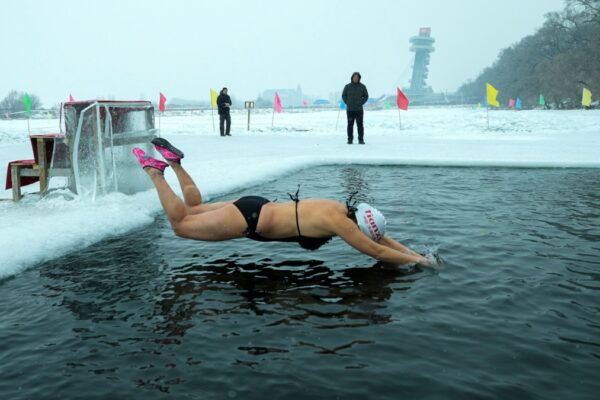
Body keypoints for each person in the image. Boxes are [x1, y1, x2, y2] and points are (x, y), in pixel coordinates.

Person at [131, 138, 432, 267]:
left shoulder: (343, 209)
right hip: (251, 220)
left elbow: (381, 238)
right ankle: (155, 172)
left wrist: (414, 252)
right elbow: (378, 250)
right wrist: (418, 261)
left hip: (258, 204)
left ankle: (176, 164)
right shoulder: (342, 225)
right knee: (181, 225)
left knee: (193, 210)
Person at [342, 72, 369, 144]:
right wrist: (347, 102)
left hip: (359, 109)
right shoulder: (347, 86)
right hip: (350, 110)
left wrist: (361, 102)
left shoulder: (362, 87)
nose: (356, 78)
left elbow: (366, 96)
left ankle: (361, 140)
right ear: (352, 78)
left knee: (360, 125)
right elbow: (344, 95)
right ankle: (350, 139)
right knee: (350, 125)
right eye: (354, 77)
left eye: (357, 77)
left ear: (359, 78)